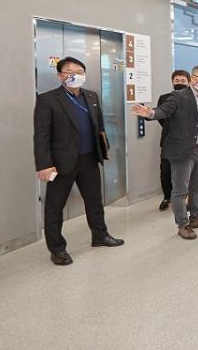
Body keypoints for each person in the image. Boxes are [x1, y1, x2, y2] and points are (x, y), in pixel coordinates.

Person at [33, 57, 124, 266]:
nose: (75, 75)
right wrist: (44, 164)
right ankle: (57, 249)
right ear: (60, 76)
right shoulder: (48, 99)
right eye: (69, 71)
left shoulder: (91, 96)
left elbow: (99, 126)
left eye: (80, 71)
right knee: (55, 207)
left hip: (89, 158)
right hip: (60, 162)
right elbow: (41, 136)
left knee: (94, 201)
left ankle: (100, 235)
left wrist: (104, 150)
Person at [131, 65, 198, 240]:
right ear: (192, 78)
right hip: (182, 151)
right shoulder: (178, 96)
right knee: (180, 190)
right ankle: (183, 224)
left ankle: (196, 217)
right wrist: (150, 113)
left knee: (197, 187)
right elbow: (164, 110)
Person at [156, 70, 190, 210]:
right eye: (177, 80)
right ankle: (167, 197)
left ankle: (184, 198)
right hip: (168, 139)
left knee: (185, 172)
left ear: (188, 82)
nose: (179, 83)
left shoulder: (193, 98)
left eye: (183, 81)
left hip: (187, 141)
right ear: (172, 82)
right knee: (165, 170)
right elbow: (160, 117)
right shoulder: (164, 98)